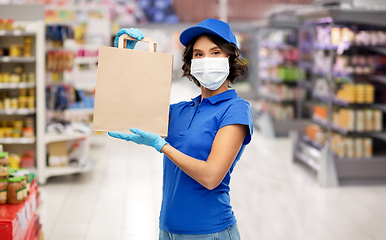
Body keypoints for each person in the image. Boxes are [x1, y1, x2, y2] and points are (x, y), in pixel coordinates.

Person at [109, 18, 253, 240]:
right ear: (191, 62)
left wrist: (162, 146)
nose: (206, 59)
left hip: (210, 231)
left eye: (215, 52)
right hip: (168, 229)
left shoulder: (235, 110)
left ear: (230, 58)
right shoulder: (180, 110)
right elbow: (125, 107)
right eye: (198, 54)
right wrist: (126, 60)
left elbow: (211, 176)